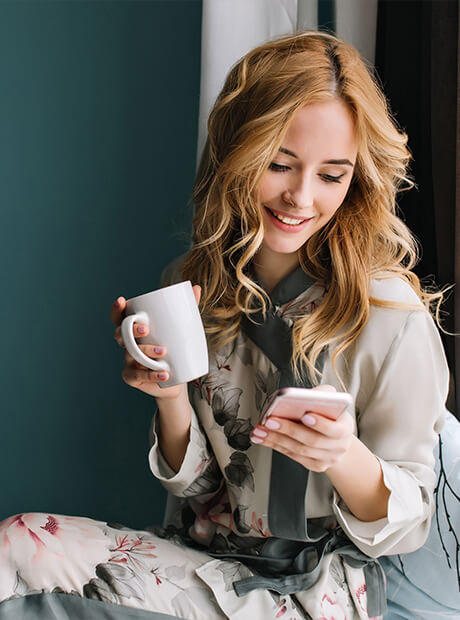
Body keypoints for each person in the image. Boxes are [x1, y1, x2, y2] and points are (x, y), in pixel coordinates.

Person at [0, 31, 450, 620]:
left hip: (315, 597)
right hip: (207, 566)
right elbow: (203, 492)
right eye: (279, 163)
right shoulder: (200, 290)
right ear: (238, 150)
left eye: (332, 176)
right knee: (17, 548)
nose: (301, 196)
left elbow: (411, 521)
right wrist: (169, 400)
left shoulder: (387, 314)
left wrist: (342, 456)